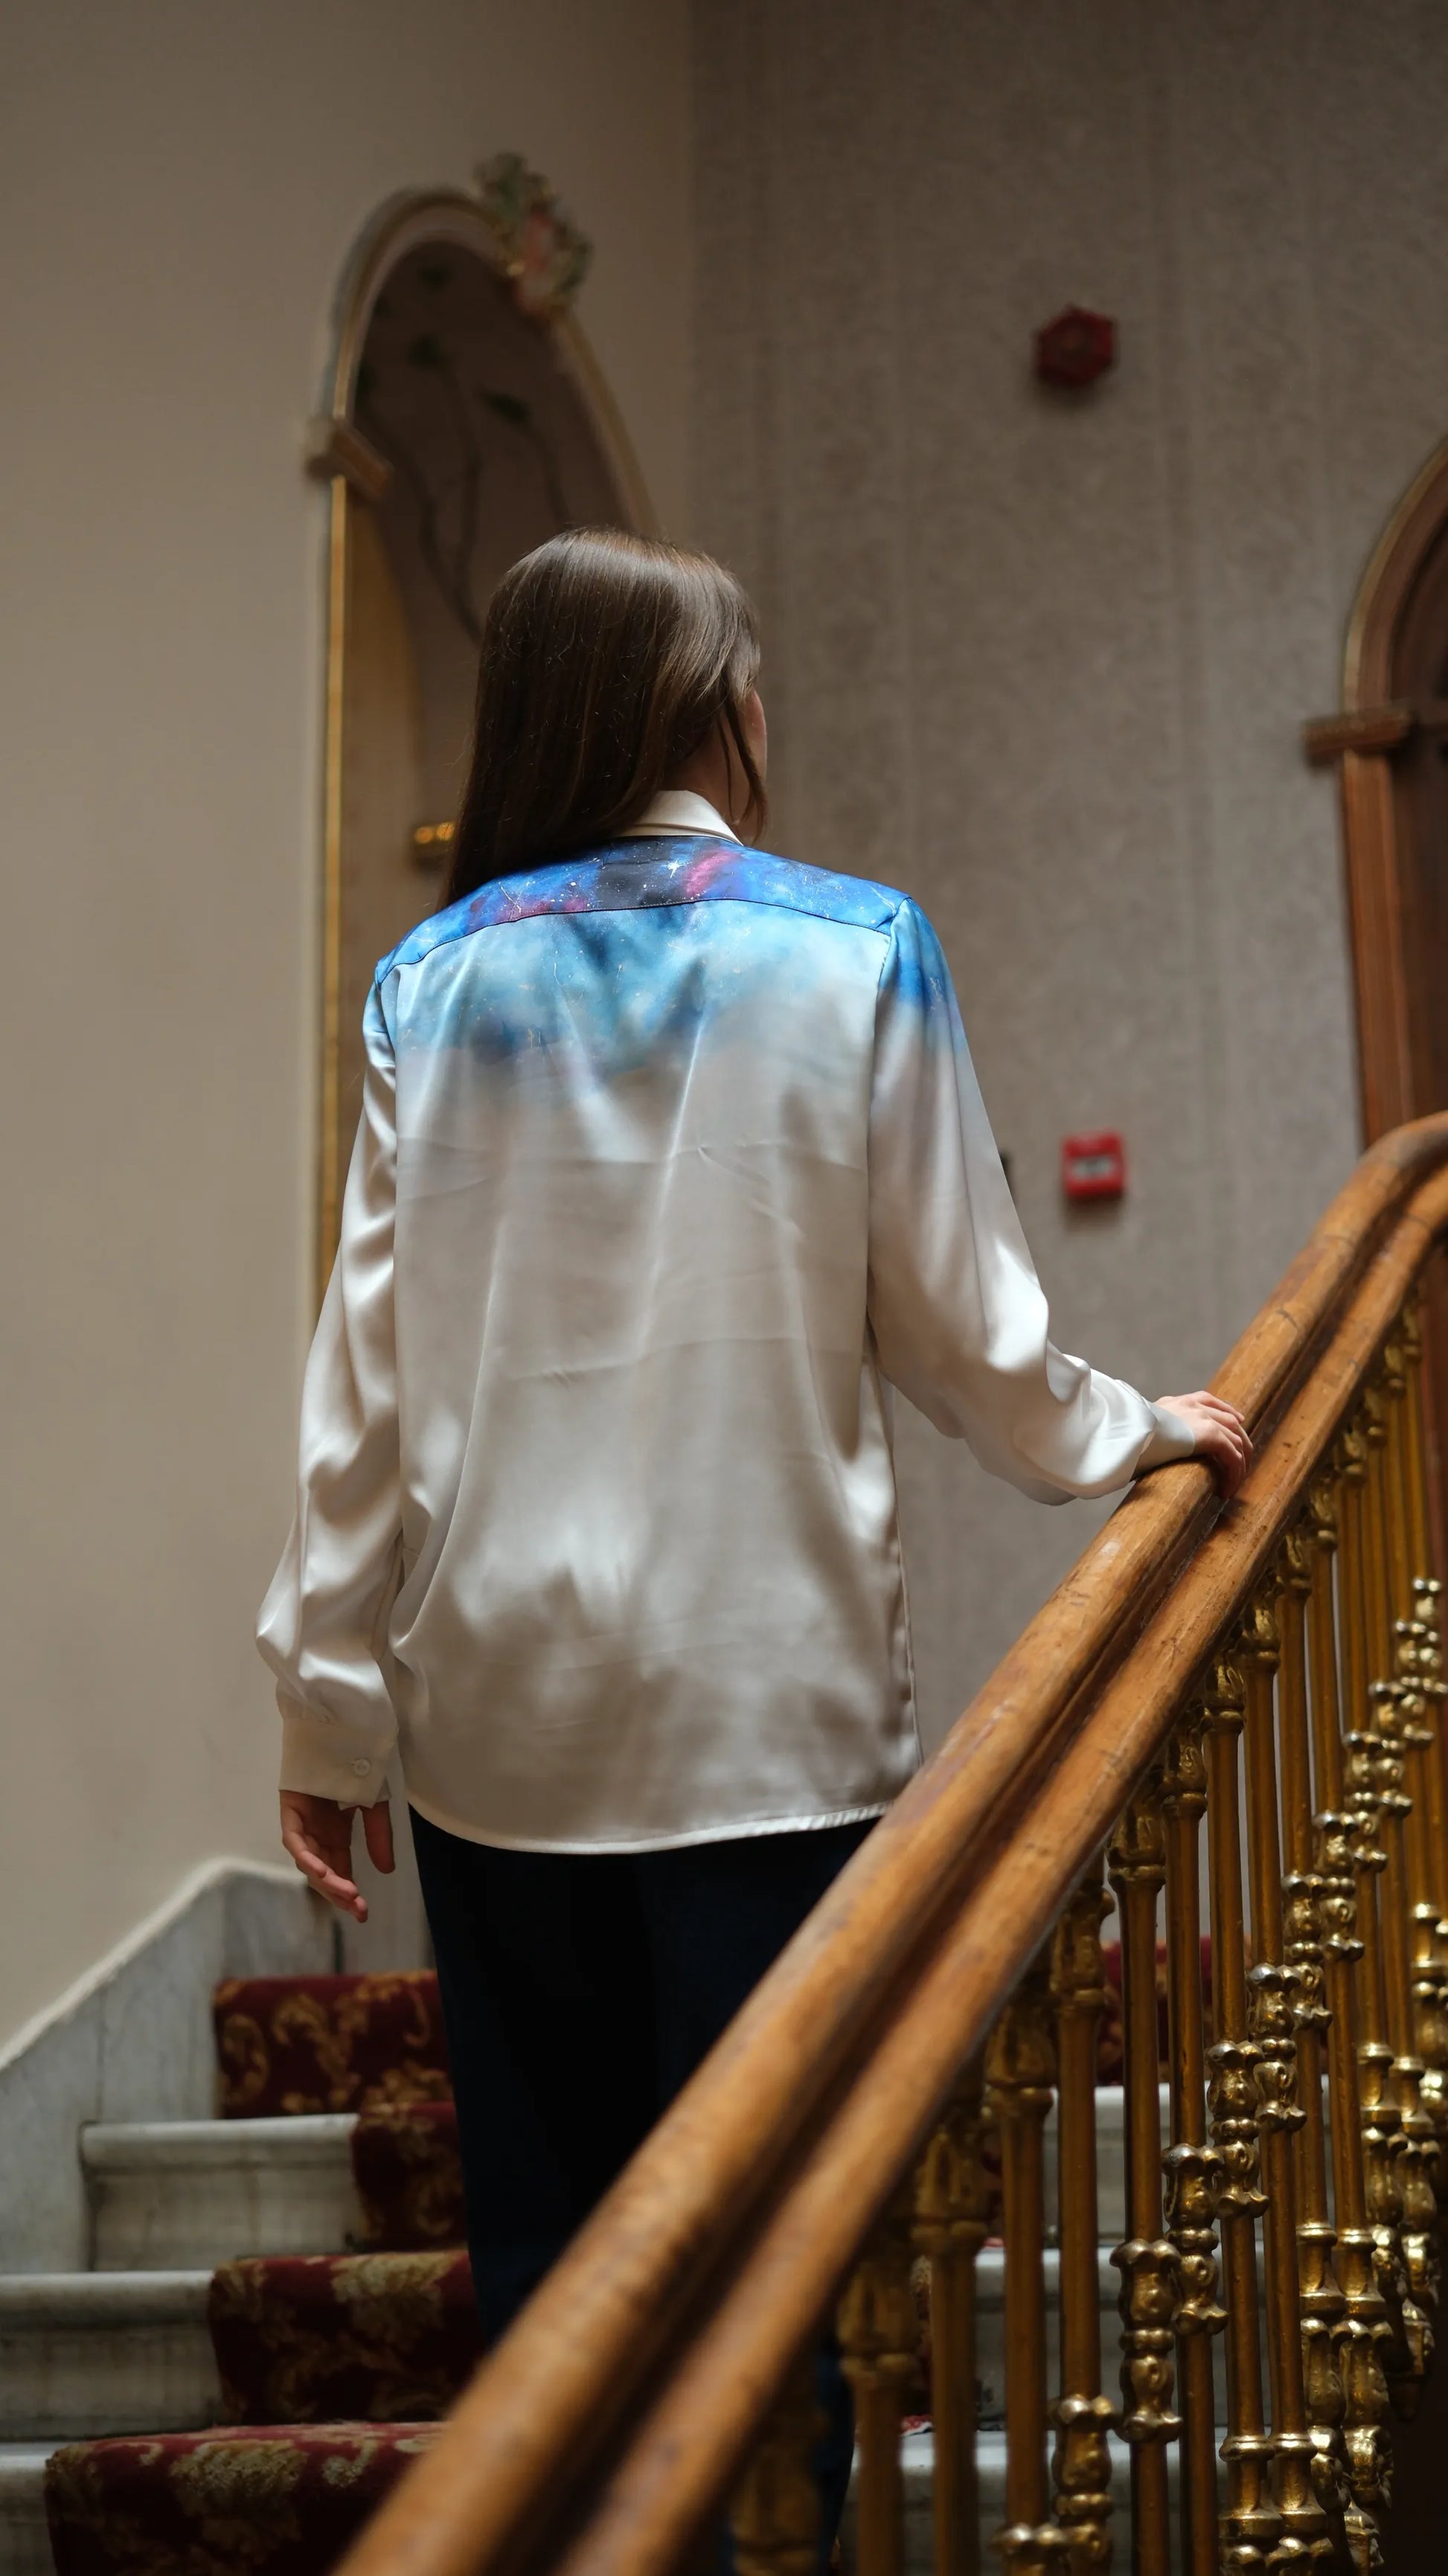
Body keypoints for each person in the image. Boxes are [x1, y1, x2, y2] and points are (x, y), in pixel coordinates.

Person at [258, 528, 1249, 2543]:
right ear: (708, 708)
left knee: (553, 2287)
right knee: (776, 2282)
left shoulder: (429, 984)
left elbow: (366, 1382)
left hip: (498, 1733)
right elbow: (961, 1325)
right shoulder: (855, 946)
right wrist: (1123, 1431)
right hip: (767, 1722)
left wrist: (326, 1709)